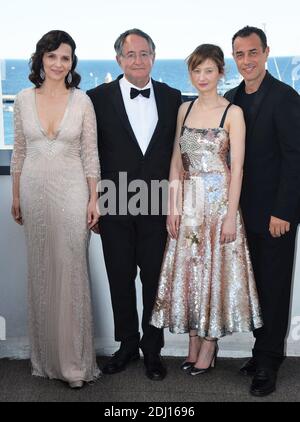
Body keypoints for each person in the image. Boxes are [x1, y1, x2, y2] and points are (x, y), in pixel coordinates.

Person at [151, 44, 262, 376]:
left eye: (208, 70)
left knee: (213, 273)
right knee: (191, 274)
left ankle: (210, 344)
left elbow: (238, 169)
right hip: (188, 206)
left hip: (218, 207)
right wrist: (172, 208)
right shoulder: (184, 110)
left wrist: (231, 216)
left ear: (220, 73)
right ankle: (193, 340)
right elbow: (176, 162)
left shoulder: (233, 113)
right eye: (196, 71)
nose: (202, 77)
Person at [87, 29, 182, 381]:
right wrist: (93, 200)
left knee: (154, 280)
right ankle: (127, 344)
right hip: (114, 201)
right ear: (118, 60)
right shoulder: (96, 98)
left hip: (157, 201)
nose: (138, 60)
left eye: (144, 54)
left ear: (153, 58)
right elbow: (89, 154)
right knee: (120, 278)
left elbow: (179, 154)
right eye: (130, 55)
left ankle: (152, 349)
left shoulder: (173, 98)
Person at [11, 30, 101, 389]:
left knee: (71, 272)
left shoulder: (82, 102)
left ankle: (75, 365)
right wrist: (15, 195)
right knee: (43, 271)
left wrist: (95, 199)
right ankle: (47, 360)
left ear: (72, 63)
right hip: (33, 192)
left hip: (72, 194)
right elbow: (19, 151)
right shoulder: (21, 99)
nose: (58, 64)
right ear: (41, 59)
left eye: (65, 58)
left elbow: (90, 154)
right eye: (52, 57)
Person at [225, 26, 300, 397]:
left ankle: (269, 363)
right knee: (253, 290)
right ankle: (260, 351)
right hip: (239, 217)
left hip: (275, 216)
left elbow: (295, 158)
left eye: (252, 53)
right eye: (239, 54)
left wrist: (284, 211)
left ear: (266, 53)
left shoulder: (286, 98)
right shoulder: (230, 98)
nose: (247, 61)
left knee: (273, 288)